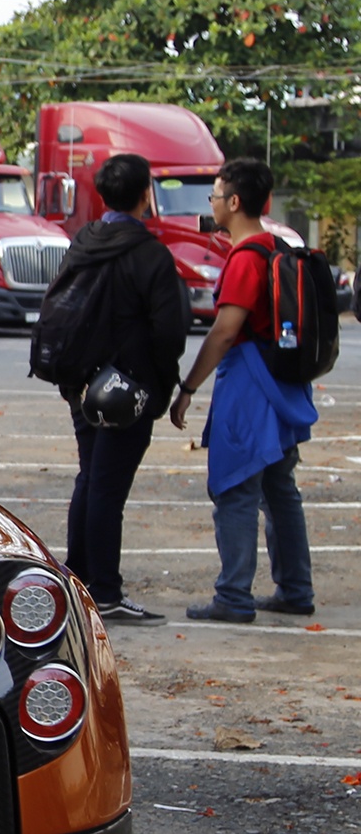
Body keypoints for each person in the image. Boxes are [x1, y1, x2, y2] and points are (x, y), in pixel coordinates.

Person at [170, 158, 316, 623]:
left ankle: (233, 595)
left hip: (250, 390)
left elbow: (225, 331)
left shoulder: (245, 259)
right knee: (280, 490)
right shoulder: (277, 246)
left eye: (214, 196)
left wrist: (189, 386)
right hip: (284, 385)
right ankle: (295, 588)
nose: (210, 204)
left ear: (233, 202)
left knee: (235, 491)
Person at [53, 153, 190, 627]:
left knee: (90, 478)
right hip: (127, 391)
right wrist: (163, 380)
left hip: (82, 384)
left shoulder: (83, 242)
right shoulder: (149, 253)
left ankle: (79, 580)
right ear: (146, 194)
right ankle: (105, 592)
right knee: (108, 488)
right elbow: (170, 330)